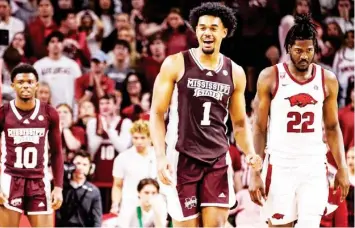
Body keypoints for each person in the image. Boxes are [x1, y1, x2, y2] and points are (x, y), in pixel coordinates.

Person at [149, 2, 261, 227]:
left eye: (212, 28)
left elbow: (239, 123)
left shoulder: (235, 72)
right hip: (182, 158)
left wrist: (249, 152)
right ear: (196, 30)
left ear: (224, 32)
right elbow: (157, 113)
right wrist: (160, 156)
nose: (207, 33)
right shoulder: (175, 63)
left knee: (216, 225)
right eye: (201, 28)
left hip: (217, 159)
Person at [249, 14, 350, 228]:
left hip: (313, 165)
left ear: (315, 48)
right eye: (298, 51)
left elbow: (332, 127)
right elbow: (259, 128)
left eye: (309, 50)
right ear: (288, 49)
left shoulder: (327, 79)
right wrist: (255, 172)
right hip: (280, 164)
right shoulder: (270, 76)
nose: (304, 56)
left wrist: (342, 167)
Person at [0, 63, 64, 227]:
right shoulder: (4, 112)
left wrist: (58, 187)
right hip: (10, 179)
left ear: (36, 85)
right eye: (21, 82)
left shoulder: (50, 113)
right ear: (13, 85)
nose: (26, 86)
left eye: (29, 82)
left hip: (39, 181)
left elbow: (57, 153)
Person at [56, 150, 102, 227]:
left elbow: (97, 220)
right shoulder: (61, 188)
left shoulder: (93, 191)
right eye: (78, 163)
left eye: (85, 164)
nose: (80, 167)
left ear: (90, 168)